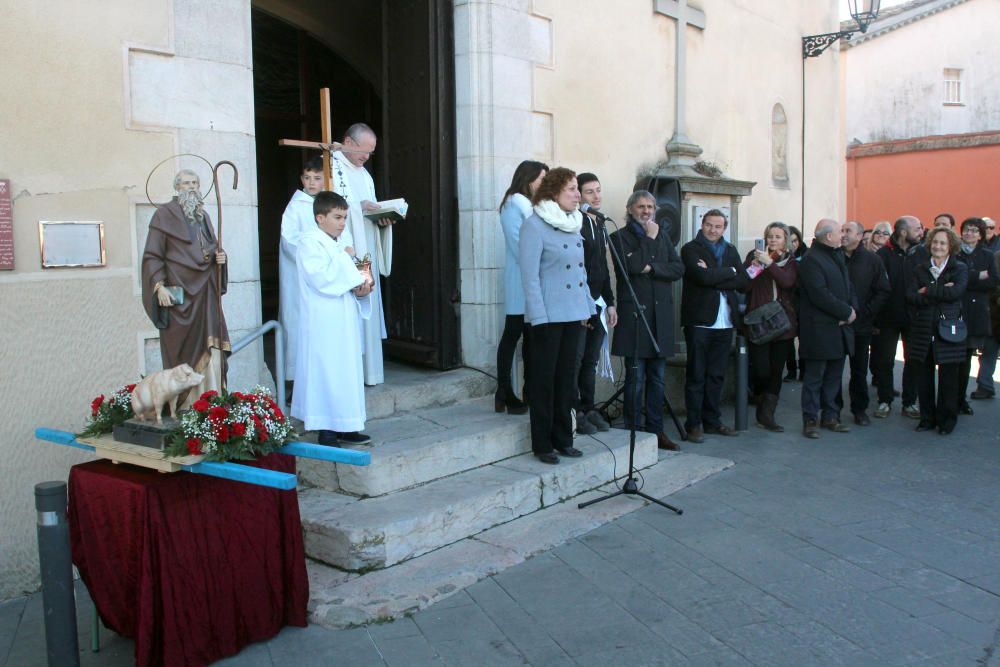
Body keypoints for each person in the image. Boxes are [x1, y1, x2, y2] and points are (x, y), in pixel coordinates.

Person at [519, 167, 595, 464]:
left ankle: (564, 438)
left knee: (567, 380)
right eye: (572, 189)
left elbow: (581, 273)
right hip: (547, 317)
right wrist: (538, 318)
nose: (578, 195)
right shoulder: (534, 226)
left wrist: (588, 307)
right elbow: (530, 277)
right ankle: (543, 444)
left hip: (573, 313)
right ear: (553, 192)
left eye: (578, 189)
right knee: (544, 381)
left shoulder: (573, 224)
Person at [141, 169, 230, 409]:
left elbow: (210, 248)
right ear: (177, 187)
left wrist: (220, 258)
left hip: (205, 294)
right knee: (181, 355)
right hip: (180, 298)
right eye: (186, 183)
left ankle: (211, 402)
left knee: (213, 350)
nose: (191, 187)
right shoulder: (163, 215)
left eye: (195, 182)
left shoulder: (204, 216)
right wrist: (158, 286)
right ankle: (185, 406)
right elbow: (152, 256)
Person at [291, 191, 374, 446]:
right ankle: (326, 428)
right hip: (323, 320)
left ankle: (347, 424)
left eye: (345, 217)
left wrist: (362, 289)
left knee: (346, 371)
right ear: (320, 217)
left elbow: (348, 280)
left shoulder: (337, 244)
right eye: (337, 217)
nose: (342, 223)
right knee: (327, 371)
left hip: (343, 318)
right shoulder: (309, 243)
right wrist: (346, 257)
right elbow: (322, 279)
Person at [609, 191, 684, 450]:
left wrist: (652, 268)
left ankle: (656, 430)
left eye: (651, 206)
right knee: (636, 378)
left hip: (660, 317)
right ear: (630, 209)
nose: (647, 211)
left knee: (658, 378)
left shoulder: (662, 235)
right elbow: (631, 267)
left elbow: (677, 268)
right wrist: (649, 241)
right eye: (641, 206)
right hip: (635, 316)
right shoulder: (618, 238)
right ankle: (633, 430)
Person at [331, 122, 394, 386]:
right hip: (348, 249)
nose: (366, 157)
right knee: (353, 307)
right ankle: (351, 375)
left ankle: (370, 372)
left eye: (371, 152)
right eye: (363, 151)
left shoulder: (364, 174)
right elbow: (333, 208)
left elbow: (367, 208)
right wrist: (359, 207)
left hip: (366, 251)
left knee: (366, 303)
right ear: (348, 141)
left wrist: (381, 218)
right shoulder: (332, 168)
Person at [680, 209, 748, 443]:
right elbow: (700, 277)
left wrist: (715, 274)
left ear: (724, 228)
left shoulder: (730, 250)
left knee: (716, 375)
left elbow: (744, 280)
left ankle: (712, 421)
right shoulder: (690, 249)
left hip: (725, 321)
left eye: (718, 227)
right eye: (709, 225)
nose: (713, 230)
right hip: (699, 321)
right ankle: (694, 424)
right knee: (697, 374)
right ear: (703, 224)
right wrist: (728, 272)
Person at [495, 160, 548, 415]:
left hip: (533, 279)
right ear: (528, 179)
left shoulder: (529, 205)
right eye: (541, 179)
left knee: (530, 338)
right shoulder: (514, 203)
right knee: (512, 334)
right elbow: (520, 245)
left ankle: (530, 389)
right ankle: (503, 390)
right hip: (521, 279)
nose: (544, 184)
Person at [906, 226, 968, 434]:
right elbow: (911, 297)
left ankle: (946, 421)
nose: (938, 246)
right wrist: (941, 290)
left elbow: (956, 293)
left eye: (942, 243)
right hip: (923, 328)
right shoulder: (919, 269)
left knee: (949, 378)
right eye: (935, 242)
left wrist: (927, 290)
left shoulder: (959, 268)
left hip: (948, 328)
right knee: (923, 377)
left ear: (950, 246)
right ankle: (927, 419)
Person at [797, 219, 856, 438]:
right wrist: (845, 312)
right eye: (840, 231)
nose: (843, 234)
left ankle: (831, 415)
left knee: (834, 375)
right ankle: (810, 419)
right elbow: (819, 294)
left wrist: (851, 310)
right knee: (815, 377)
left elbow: (848, 287)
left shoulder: (837, 254)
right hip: (819, 329)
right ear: (828, 236)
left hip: (838, 328)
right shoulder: (811, 260)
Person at [742, 222, 798, 432]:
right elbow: (744, 284)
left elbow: (787, 282)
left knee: (776, 371)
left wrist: (771, 264)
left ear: (786, 240)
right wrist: (758, 264)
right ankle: (759, 396)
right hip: (759, 322)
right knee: (761, 370)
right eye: (770, 236)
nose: (773, 240)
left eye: (778, 236)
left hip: (783, 324)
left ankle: (767, 415)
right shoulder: (754, 256)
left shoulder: (790, 262)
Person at [573, 173, 617, 435]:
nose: (596, 196)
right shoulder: (576, 223)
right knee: (576, 360)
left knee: (590, 360)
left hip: (599, 302)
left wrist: (610, 303)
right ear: (579, 196)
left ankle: (589, 407)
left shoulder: (600, 224)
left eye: (598, 190)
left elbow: (603, 268)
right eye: (590, 192)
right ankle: (574, 409)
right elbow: (579, 269)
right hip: (581, 304)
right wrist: (584, 306)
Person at [279, 156, 325, 396]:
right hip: (299, 275)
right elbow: (289, 240)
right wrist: (312, 255)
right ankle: (295, 381)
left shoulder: (327, 204)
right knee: (298, 323)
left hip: (321, 274)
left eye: (317, 178)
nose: (311, 183)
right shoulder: (296, 206)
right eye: (307, 178)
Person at [838, 221, 889, 425]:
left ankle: (860, 409)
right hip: (838, 322)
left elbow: (883, 290)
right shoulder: (835, 256)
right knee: (834, 370)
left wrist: (866, 313)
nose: (843, 234)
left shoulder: (872, 260)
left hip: (861, 324)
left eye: (848, 231)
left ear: (859, 235)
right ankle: (832, 410)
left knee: (859, 370)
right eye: (842, 230)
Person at [873, 216, 925, 419]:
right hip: (887, 317)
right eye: (917, 229)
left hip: (915, 316)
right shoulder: (883, 255)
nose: (921, 232)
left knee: (913, 360)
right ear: (903, 232)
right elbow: (877, 286)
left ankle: (909, 402)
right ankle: (884, 400)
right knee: (884, 361)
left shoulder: (922, 253)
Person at [956, 218, 999, 411]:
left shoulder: (987, 256)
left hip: (976, 312)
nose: (969, 234)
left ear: (980, 235)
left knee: (966, 358)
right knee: (953, 358)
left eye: (974, 231)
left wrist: (967, 279)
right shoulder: (954, 253)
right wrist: (977, 275)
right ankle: (951, 397)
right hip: (956, 309)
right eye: (966, 230)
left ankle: (961, 399)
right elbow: (954, 279)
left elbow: (992, 282)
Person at [974, 245, 1000, 399]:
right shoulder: (997, 257)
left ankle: (985, 384)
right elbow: (993, 280)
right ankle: (985, 385)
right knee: (989, 351)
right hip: (996, 313)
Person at [784, 225, 807, 382]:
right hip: (787, 303)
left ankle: (804, 370)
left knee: (804, 339)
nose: (793, 244)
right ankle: (791, 370)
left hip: (803, 303)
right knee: (787, 340)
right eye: (789, 241)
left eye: (795, 240)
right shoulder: (782, 258)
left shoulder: (807, 256)